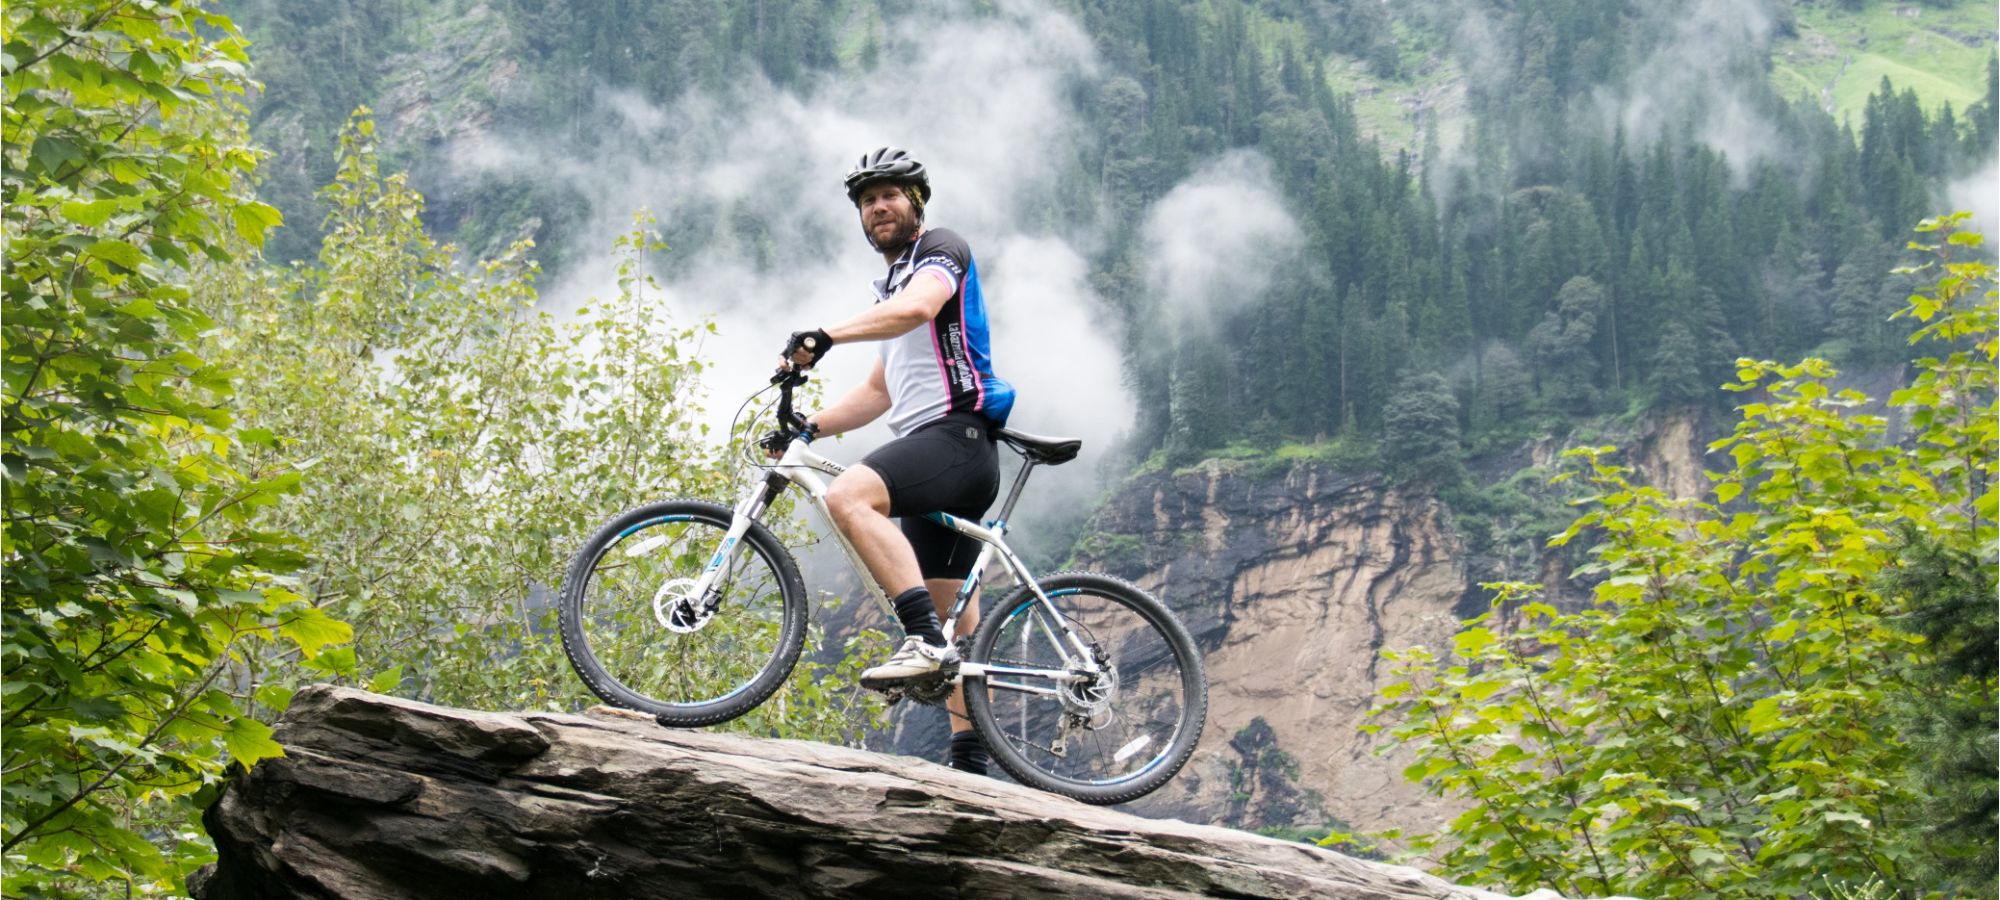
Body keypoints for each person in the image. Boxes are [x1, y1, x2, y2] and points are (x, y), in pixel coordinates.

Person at [774, 147, 1013, 775]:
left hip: (955, 440)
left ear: (916, 203)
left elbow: (919, 308)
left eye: (891, 194)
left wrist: (825, 336)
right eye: (867, 200)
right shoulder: (894, 284)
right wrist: (810, 427)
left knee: (849, 496)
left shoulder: (940, 251)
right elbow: (880, 392)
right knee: (953, 618)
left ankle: (920, 644)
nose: (879, 206)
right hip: (942, 454)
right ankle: (973, 766)